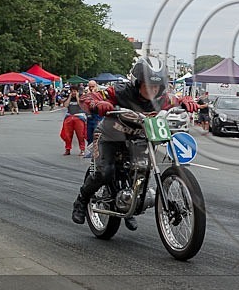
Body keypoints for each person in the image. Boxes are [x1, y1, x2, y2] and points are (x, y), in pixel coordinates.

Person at [71, 58, 197, 228]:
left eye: (157, 86)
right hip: (110, 136)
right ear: (137, 83)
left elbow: (178, 99)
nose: (153, 90)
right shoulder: (119, 91)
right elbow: (89, 96)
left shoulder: (164, 98)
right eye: (148, 85)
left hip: (139, 138)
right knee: (105, 172)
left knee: (141, 170)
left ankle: (131, 203)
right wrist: (97, 103)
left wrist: (187, 101)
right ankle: (81, 200)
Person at [60, 86, 87, 156]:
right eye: (72, 91)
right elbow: (65, 105)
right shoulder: (69, 98)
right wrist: (69, 97)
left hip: (79, 117)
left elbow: (81, 105)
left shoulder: (81, 98)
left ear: (77, 92)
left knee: (80, 135)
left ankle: (82, 150)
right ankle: (67, 149)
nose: (73, 93)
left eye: (75, 91)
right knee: (67, 135)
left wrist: (78, 97)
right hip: (69, 117)